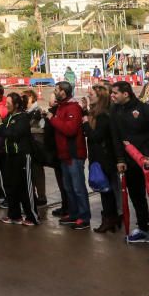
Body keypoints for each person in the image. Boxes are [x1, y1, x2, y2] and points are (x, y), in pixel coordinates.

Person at [110, 81, 149, 243]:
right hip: (129, 162)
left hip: (148, 161)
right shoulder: (114, 110)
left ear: (126, 93)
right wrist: (120, 159)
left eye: (115, 93)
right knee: (137, 196)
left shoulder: (144, 109)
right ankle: (143, 229)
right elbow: (115, 137)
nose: (112, 95)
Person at [48, 81, 90, 229]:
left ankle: (84, 216)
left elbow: (70, 130)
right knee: (69, 187)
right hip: (65, 154)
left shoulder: (73, 108)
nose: (54, 93)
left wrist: (52, 119)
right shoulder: (61, 107)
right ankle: (74, 213)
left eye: (56, 90)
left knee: (78, 187)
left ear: (63, 93)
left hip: (73, 154)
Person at [0, 92, 39, 225]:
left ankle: (32, 216)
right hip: (10, 156)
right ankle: (14, 215)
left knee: (25, 187)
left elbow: (14, 134)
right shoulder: (10, 116)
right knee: (11, 186)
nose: (6, 105)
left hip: (22, 156)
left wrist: (0, 125)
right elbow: (3, 133)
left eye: (8, 103)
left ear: (17, 104)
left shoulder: (22, 118)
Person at [83, 84, 121, 233]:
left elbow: (95, 136)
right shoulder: (98, 113)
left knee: (106, 192)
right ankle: (111, 218)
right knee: (106, 191)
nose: (88, 95)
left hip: (104, 159)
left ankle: (109, 219)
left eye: (91, 94)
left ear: (100, 98)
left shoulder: (103, 116)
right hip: (100, 157)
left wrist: (85, 123)